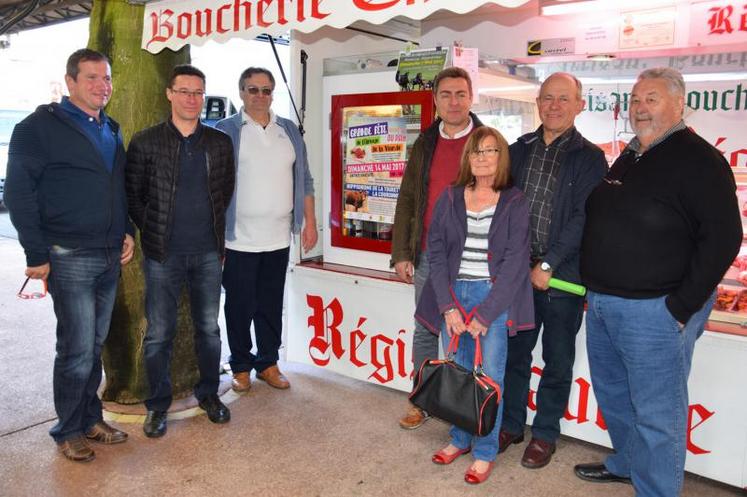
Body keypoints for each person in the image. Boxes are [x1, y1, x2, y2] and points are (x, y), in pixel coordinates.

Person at [576, 67, 742, 496]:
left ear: (679, 104)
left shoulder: (700, 159)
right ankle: (628, 464)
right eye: (634, 100)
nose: (640, 108)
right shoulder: (633, 154)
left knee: (657, 414)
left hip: (655, 311)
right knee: (615, 397)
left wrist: (681, 307)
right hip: (605, 304)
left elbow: (724, 238)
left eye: (651, 98)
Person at [5, 48, 134, 462]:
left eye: (107, 78)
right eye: (93, 78)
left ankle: (90, 418)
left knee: (93, 346)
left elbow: (118, 188)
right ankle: (68, 429)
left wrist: (127, 231)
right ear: (71, 82)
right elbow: (18, 193)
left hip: (109, 253)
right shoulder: (38, 128)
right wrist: (36, 253)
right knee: (76, 347)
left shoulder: (110, 128)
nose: (102, 86)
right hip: (68, 254)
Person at [498, 72, 607, 468]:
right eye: (547, 98)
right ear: (537, 102)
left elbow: (583, 218)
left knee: (557, 360)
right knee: (515, 356)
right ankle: (510, 424)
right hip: (517, 278)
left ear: (579, 105)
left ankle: (544, 434)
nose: (554, 106)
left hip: (561, 278)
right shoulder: (519, 149)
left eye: (564, 99)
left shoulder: (590, 157)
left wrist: (547, 264)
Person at [415, 126, 533, 484]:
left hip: (492, 299)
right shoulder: (450, 197)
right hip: (454, 293)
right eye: (476, 151)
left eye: (490, 150)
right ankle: (459, 438)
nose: (482, 157)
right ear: (468, 158)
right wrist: (448, 307)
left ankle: (484, 452)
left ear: (501, 157)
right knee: (460, 373)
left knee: (489, 379)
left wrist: (485, 314)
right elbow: (435, 252)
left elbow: (515, 261)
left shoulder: (514, 201)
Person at [126, 64, 235, 437]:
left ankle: (208, 395)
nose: (192, 99)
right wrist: (154, 230)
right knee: (159, 333)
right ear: (169, 94)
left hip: (208, 254)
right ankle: (157, 406)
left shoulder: (219, 143)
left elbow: (224, 192)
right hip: (162, 256)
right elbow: (134, 197)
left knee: (208, 329)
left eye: (198, 92)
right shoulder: (145, 142)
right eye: (184, 91)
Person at [391, 66, 485, 429]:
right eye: (446, 95)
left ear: (470, 97)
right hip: (430, 255)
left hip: (475, 257)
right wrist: (402, 252)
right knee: (426, 328)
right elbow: (408, 198)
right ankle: (421, 400)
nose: (454, 101)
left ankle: (461, 407)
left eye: (460, 94)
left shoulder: (488, 140)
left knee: (468, 330)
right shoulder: (425, 142)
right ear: (435, 101)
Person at [216, 67, 317, 392]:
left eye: (266, 90)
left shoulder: (287, 130)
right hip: (238, 239)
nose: (260, 96)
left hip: (277, 237)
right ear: (241, 92)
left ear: (273, 94)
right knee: (239, 304)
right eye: (253, 89)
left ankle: (268, 362)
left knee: (271, 303)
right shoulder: (226, 130)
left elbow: (306, 179)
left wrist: (309, 221)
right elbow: (214, 185)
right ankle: (241, 365)